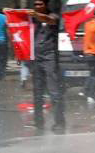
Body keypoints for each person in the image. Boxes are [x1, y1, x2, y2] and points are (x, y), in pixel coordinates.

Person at [29, 0, 65, 132]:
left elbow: (50, 20)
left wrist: (36, 15)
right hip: (36, 59)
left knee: (54, 92)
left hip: (49, 58)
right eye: (35, 4)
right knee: (37, 93)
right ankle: (38, 122)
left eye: (40, 4)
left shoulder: (53, 16)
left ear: (46, 5)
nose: (37, 7)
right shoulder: (32, 20)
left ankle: (59, 123)